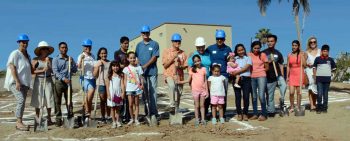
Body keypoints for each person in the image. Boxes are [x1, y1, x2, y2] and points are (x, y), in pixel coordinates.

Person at [4, 34, 33, 131]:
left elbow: (30, 70)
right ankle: (18, 122)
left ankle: (20, 121)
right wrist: (17, 81)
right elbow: (12, 67)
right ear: (19, 43)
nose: (24, 44)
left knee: (23, 102)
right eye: (23, 42)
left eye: (26, 42)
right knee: (21, 100)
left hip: (24, 83)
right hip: (15, 82)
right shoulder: (15, 53)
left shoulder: (28, 56)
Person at [135, 25, 159, 124]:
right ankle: (147, 112)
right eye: (143, 33)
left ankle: (153, 113)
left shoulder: (154, 44)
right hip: (142, 74)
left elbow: (154, 57)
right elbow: (136, 58)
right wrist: (138, 68)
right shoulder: (138, 45)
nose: (145, 34)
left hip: (152, 72)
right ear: (141, 34)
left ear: (149, 33)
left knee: (152, 93)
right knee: (144, 94)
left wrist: (145, 66)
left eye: (147, 32)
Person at [206, 30, 232, 117]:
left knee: (223, 95)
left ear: (224, 39)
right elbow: (202, 55)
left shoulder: (228, 49)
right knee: (212, 95)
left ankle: (222, 114)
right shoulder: (210, 48)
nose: (219, 40)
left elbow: (231, 61)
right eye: (218, 38)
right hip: (212, 76)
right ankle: (212, 113)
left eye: (221, 38)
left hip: (224, 76)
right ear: (216, 39)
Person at [52, 42, 78, 127]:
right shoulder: (56, 59)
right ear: (59, 49)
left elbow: (74, 70)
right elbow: (55, 72)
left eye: (65, 47)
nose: (64, 49)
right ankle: (58, 119)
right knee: (57, 101)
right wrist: (64, 79)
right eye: (62, 47)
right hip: (59, 82)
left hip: (68, 83)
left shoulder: (70, 59)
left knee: (69, 101)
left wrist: (72, 64)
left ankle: (70, 117)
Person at [178, 55, 207, 127]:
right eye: (195, 61)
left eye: (198, 60)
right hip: (195, 90)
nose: (197, 62)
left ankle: (203, 119)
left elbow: (205, 80)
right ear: (193, 63)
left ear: (200, 60)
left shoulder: (204, 69)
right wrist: (180, 82)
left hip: (203, 90)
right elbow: (188, 80)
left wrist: (207, 91)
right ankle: (197, 119)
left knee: (202, 105)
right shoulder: (191, 70)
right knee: (196, 106)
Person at [31, 41, 55, 126]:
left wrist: (48, 63)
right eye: (43, 49)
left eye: (46, 49)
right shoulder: (35, 60)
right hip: (39, 80)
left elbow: (53, 71)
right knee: (38, 99)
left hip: (48, 80)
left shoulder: (51, 59)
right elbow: (32, 71)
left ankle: (49, 118)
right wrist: (42, 70)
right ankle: (37, 118)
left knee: (49, 99)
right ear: (40, 50)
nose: (45, 50)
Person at [262, 34, 287, 117]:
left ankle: (278, 105)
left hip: (277, 76)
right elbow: (260, 64)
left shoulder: (278, 53)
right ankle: (268, 110)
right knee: (267, 95)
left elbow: (281, 65)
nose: (270, 43)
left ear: (275, 42)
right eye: (268, 41)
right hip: (267, 76)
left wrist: (282, 76)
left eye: (272, 41)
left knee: (282, 87)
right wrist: (268, 61)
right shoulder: (263, 53)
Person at [162, 33, 188, 110]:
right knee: (172, 86)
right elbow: (165, 65)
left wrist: (179, 65)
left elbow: (185, 66)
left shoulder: (183, 53)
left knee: (179, 94)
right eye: (175, 41)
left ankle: (176, 110)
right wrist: (173, 58)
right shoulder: (166, 51)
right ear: (172, 42)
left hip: (179, 76)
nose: (177, 42)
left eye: (179, 41)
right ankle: (172, 104)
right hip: (169, 74)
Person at [188, 37, 211, 119]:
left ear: (204, 46)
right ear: (196, 47)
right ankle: (199, 116)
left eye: (202, 46)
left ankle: (205, 113)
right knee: (198, 100)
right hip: (197, 81)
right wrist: (190, 84)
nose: (201, 48)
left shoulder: (208, 54)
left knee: (207, 98)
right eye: (198, 47)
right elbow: (189, 69)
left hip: (207, 79)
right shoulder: (193, 56)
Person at [230, 44, 252, 121]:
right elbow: (230, 66)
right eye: (239, 50)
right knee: (238, 97)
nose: (241, 51)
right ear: (236, 51)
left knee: (246, 97)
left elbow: (246, 68)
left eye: (242, 49)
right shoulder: (234, 59)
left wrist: (236, 72)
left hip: (246, 79)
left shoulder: (248, 58)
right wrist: (232, 72)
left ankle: (245, 113)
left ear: (244, 50)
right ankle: (239, 113)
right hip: (236, 80)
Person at [248, 41, 268, 121]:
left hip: (261, 76)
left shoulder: (263, 55)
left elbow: (267, 67)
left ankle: (264, 114)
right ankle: (255, 114)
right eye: (255, 48)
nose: (256, 49)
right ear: (252, 48)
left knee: (261, 96)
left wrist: (261, 71)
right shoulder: (248, 55)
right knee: (254, 96)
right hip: (252, 77)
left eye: (258, 48)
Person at [313, 45, 336, 114]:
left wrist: (332, 76)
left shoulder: (331, 59)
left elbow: (334, 69)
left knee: (325, 95)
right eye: (324, 51)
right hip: (319, 80)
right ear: (321, 51)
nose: (325, 52)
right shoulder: (317, 59)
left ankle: (325, 108)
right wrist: (314, 77)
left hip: (327, 80)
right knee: (319, 94)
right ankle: (319, 107)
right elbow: (314, 68)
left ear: (328, 52)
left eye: (326, 51)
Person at [77, 39, 96, 122]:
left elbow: (94, 67)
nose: (88, 48)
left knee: (90, 98)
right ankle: (87, 112)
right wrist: (81, 59)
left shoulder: (93, 56)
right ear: (83, 47)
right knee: (89, 93)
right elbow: (79, 67)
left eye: (89, 46)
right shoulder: (81, 56)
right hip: (84, 78)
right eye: (86, 46)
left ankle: (87, 113)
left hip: (92, 78)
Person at [123, 51, 144, 126]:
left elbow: (141, 77)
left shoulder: (139, 67)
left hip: (137, 89)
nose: (132, 59)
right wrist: (125, 88)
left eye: (134, 58)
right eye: (131, 58)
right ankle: (132, 118)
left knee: (137, 104)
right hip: (129, 89)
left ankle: (136, 119)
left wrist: (142, 85)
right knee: (130, 104)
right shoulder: (126, 68)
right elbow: (125, 79)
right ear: (128, 59)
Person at [114, 36, 131, 123]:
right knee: (121, 97)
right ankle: (120, 116)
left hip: (129, 78)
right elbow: (116, 65)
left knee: (128, 97)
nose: (126, 45)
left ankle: (128, 116)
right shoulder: (117, 53)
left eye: (127, 43)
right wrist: (123, 66)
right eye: (125, 43)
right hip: (120, 77)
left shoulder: (129, 54)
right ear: (121, 44)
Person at [286, 40, 307, 113]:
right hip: (292, 74)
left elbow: (304, 65)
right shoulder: (289, 55)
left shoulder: (301, 54)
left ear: (298, 46)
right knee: (291, 92)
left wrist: (303, 56)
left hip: (300, 74)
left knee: (299, 92)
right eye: (293, 45)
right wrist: (287, 76)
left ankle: (298, 106)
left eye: (295, 45)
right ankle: (292, 106)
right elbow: (288, 66)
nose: (294, 47)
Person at [93, 47, 111, 123]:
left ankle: (109, 116)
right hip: (100, 83)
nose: (104, 55)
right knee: (102, 100)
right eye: (102, 53)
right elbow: (94, 75)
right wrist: (97, 67)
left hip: (109, 84)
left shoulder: (110, 63)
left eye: (105, 53)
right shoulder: (97, 62)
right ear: (99, 54)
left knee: (108, 100)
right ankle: (103, 116)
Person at [106, 61, 125, 128]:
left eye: (117, 66)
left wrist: (123, 93)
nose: (115, 67)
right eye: (114, 66)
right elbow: (107, 86)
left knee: (118, 108)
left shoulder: (121, 75)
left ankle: (117, 121)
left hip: (118, 93)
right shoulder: (109, 76)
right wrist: (108, 94)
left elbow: (122, 84)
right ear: (111, 67)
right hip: (111, 94)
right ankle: (113, 122)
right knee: (112, 108)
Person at [305, 36, 320, 111]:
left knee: (317, 88)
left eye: (314, 42)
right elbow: (303, 63)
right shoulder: (306, 52)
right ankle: (312, 105)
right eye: (311, 42)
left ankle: (315, 103)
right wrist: (307, 64)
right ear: (309, 43)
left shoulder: (320, 51)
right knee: (311, 87)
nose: (313, 43)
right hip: (310, 70)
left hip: (319, 71)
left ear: (316, 43)